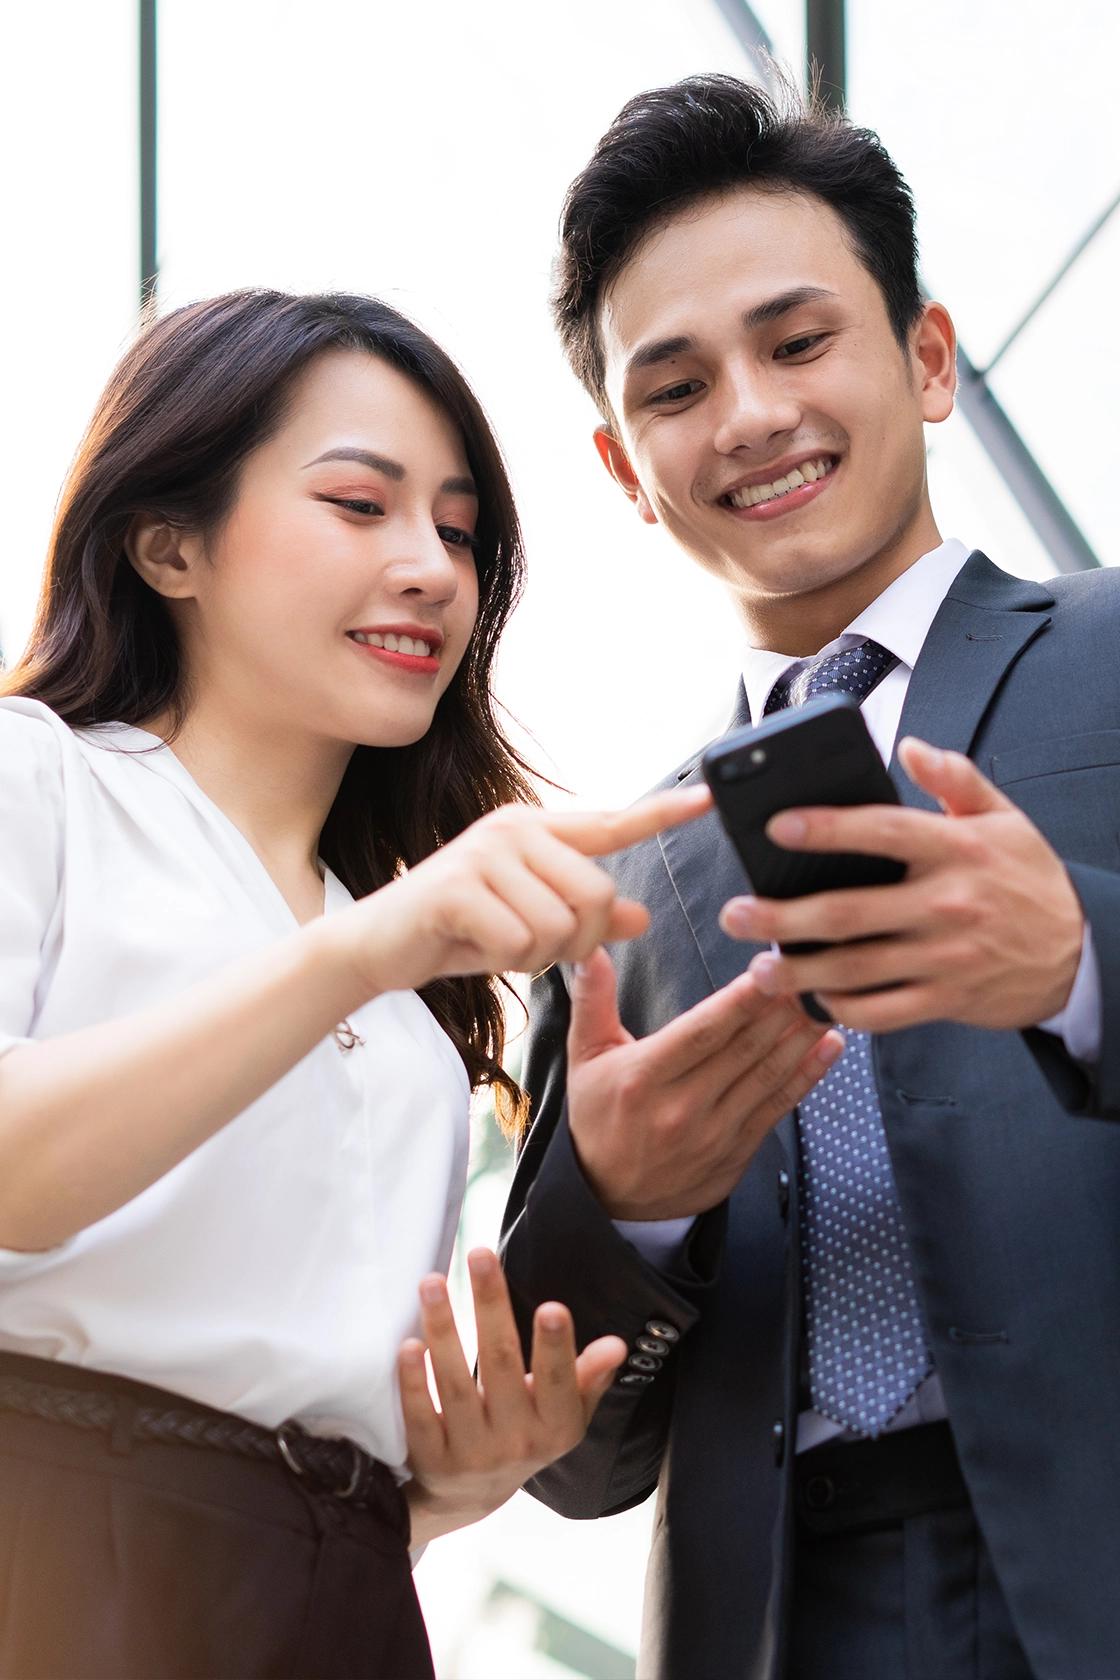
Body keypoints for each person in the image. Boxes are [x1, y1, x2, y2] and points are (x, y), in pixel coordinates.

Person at [499, 75, 1120, 1680]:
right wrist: (626, 1216)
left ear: (925, 357)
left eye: (798, 342)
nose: (754, 416)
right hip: (778, 1618)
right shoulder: (620, 874)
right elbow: (570, 1462)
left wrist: (1082, 967)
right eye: (679, 386)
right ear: (627, 468)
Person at [0, 288, 709, 1679]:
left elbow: (298, 1421)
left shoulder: (409, 1013)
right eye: (359, 505)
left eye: (457, 530)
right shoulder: (43, 784)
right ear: (166, 545)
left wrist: (457, 1477)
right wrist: (364, 949)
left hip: (342, 1603)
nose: (433, 569)